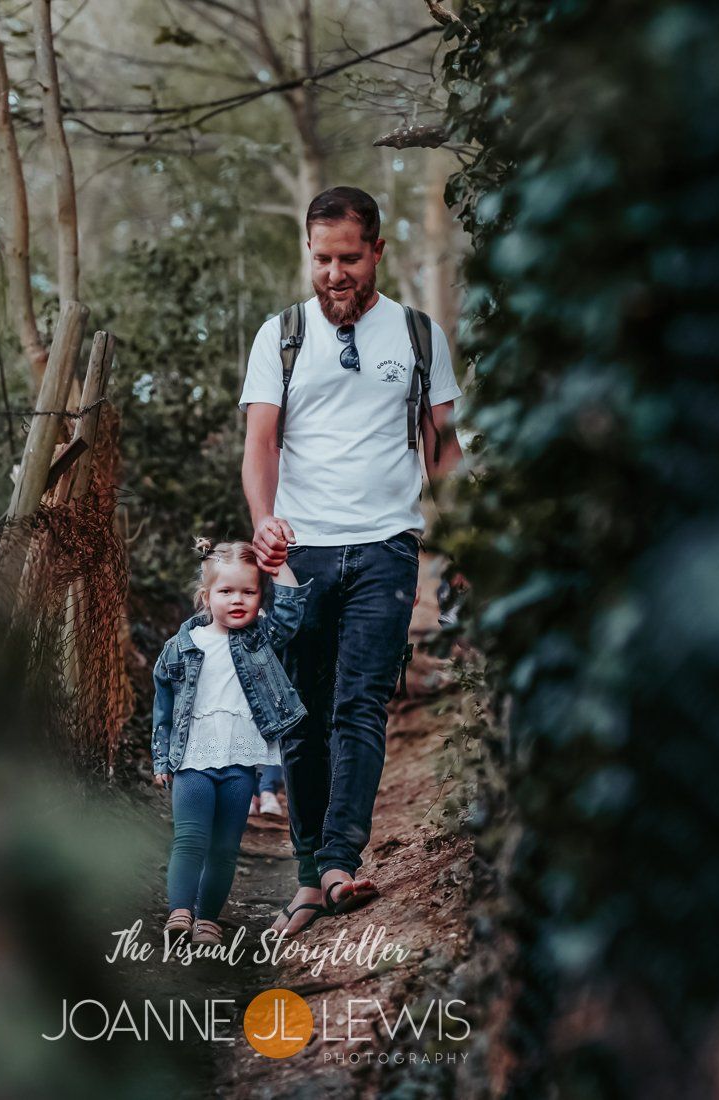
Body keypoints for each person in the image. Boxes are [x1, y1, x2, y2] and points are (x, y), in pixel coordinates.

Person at [239, 186, 465, 936]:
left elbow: (443, 451)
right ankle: (310, 876)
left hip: (387, 547)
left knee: (360, 703)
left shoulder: (420, 336)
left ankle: (339, 862)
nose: (334, 274)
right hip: (300, 554)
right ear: (308, 253)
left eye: (349, 258)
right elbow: (261, 445)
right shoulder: (280, 336)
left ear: (377, 251)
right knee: (302, 716)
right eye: (321, 259)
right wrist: (264, 523)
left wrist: (464, 543)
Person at [150, 538, 310, 945]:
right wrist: (161, 758)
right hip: (192, 760)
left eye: (249, 592)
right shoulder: (180, 648)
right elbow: (163, 708)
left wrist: (277, 563)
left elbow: (290, 614)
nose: (237, 600)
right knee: (190, 839)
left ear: (260, 596)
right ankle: (180, 912)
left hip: (240, 763)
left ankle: (207, 919)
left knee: (224, 848)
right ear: (206, 597)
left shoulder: (259, 639)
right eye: (226, 591)